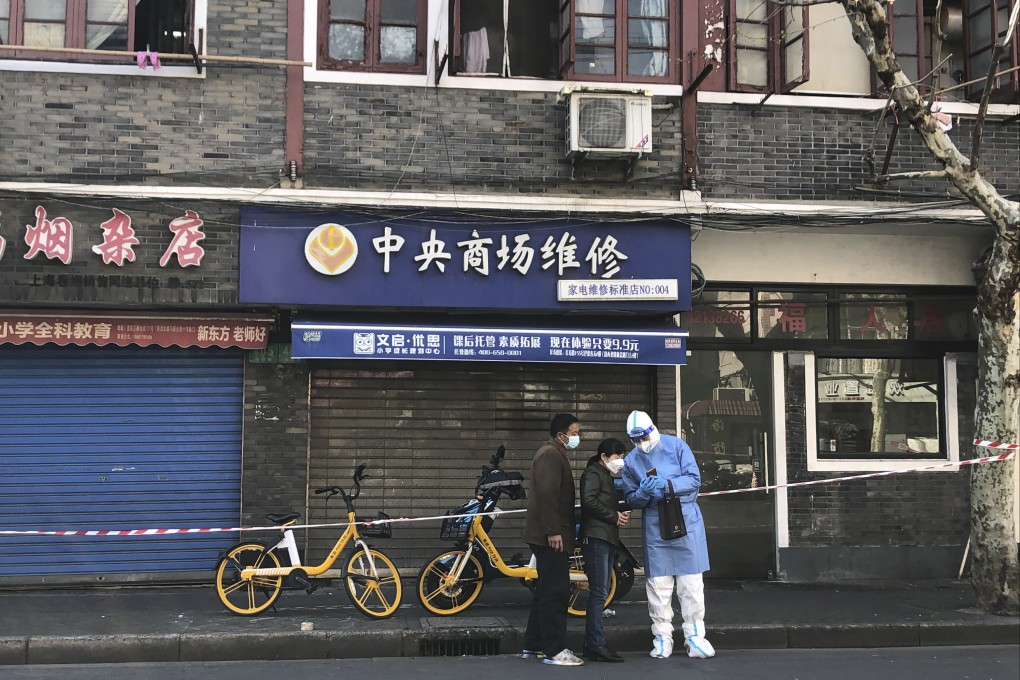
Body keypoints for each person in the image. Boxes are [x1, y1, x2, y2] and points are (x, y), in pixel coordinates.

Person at [620, 409, 715, 660]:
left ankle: (695, 637)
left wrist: (668, 484)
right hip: (655, 524)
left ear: (653, 430)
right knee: (658, 587)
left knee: (691, 585)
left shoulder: (677, 446)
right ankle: (662, 637)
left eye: (643, 437)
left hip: (686, 520)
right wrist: (643, 492)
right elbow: (631, 499)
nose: (641, 444)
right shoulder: (631, 461)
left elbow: (694, 480)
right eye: (635, 440)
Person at [521, 413, 585, 666]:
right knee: (556, 591)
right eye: (574, 432)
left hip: (547, 533)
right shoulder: (550, 454)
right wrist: (553, 530)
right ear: (561, 435)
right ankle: (554, 650)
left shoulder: (554, 452)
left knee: (545, 590)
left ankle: (534, 644)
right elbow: (548, 495)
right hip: (550, 535)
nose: (577, 437)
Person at [579, 437, 630, 663]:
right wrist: (613, 516)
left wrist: (619, 512)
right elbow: (588, 501)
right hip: (597, 537)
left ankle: (594, 644)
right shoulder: (593, 474)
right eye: (618, 457)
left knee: (601, 591)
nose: (621, 461)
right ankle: (596, 644)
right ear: (604, 457)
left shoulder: (604, 475)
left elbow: (603, 502)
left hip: (606, 537)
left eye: (622, 457)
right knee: (599, 592)